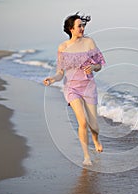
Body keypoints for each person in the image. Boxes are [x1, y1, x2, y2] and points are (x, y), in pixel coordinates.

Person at [43, 12, 105, 166]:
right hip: (72, 88)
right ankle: (86, 156)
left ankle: (96, 139)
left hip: (88, 86)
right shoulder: (63, 47)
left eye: (83, 25)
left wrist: (93, 66)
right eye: (79, 26)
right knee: (82, 122)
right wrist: (52, 79)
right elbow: (60, 73)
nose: (82, 28)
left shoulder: (89, 42)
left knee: (94, 125)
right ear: (71, 29)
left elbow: (99, 65)